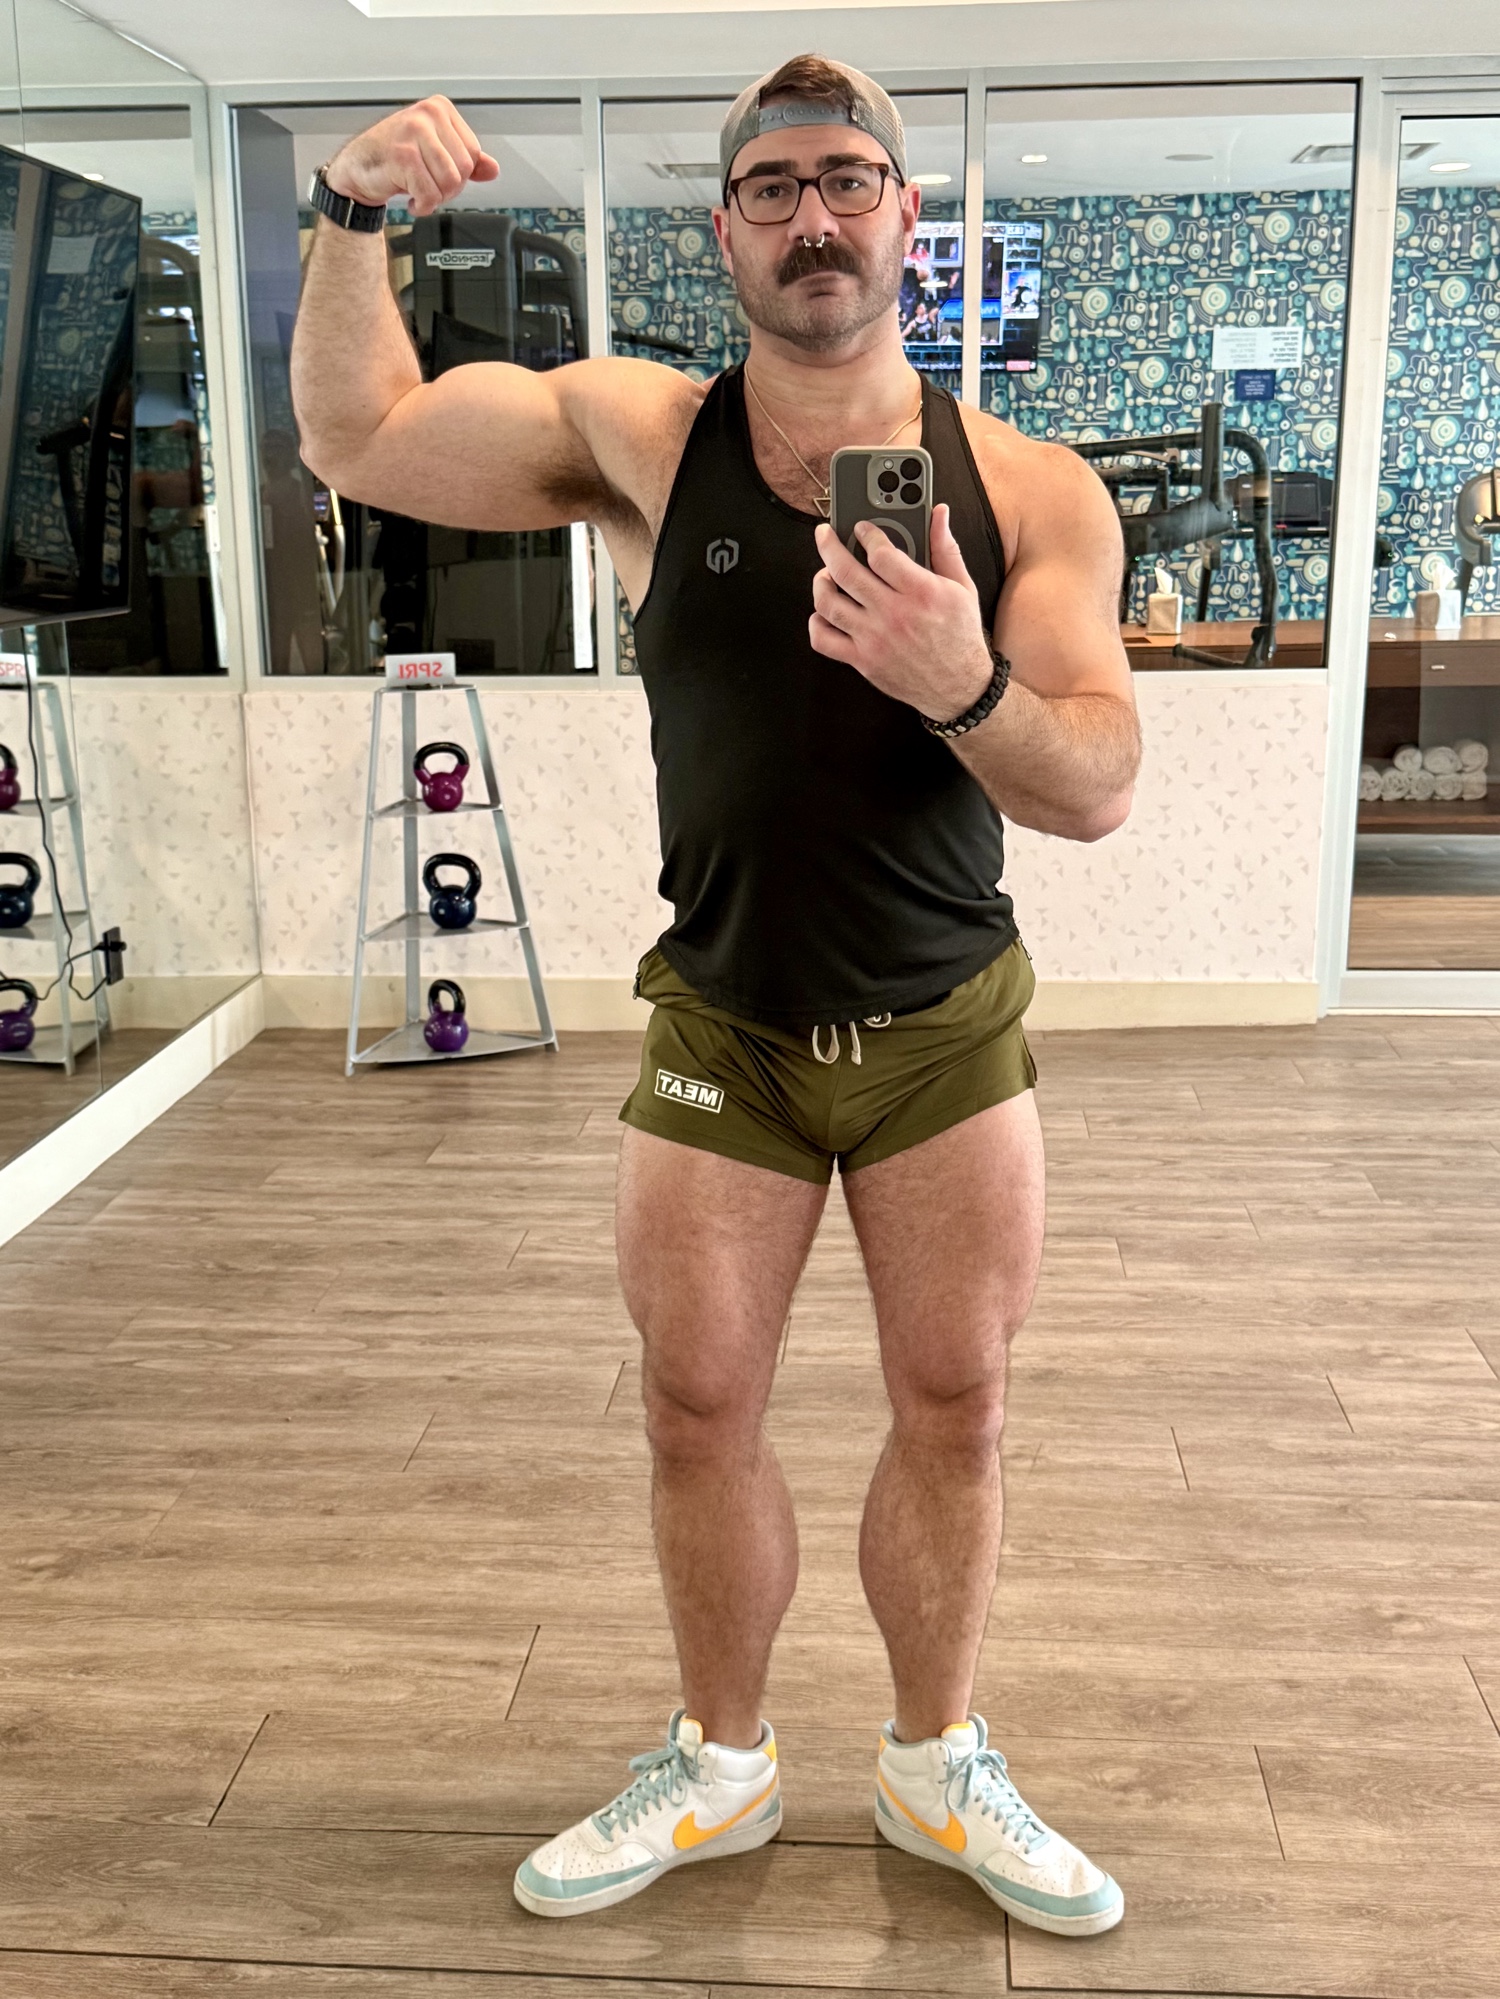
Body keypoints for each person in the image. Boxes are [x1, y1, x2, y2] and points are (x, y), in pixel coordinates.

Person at [291, 54, 1139, 1940]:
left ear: (906, 217)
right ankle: (723, 1763)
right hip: (725, 1021)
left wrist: (957, 679)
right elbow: (361, 438)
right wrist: (348, 216)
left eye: (848, 181)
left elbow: (1093, 784)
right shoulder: (643, 438)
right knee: (694, 1402)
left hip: (942, 1032)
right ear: (728, 230)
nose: (814, 217)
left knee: (957, 1403)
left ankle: (934, 1764)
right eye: (773, 188)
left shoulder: (1031, 491)